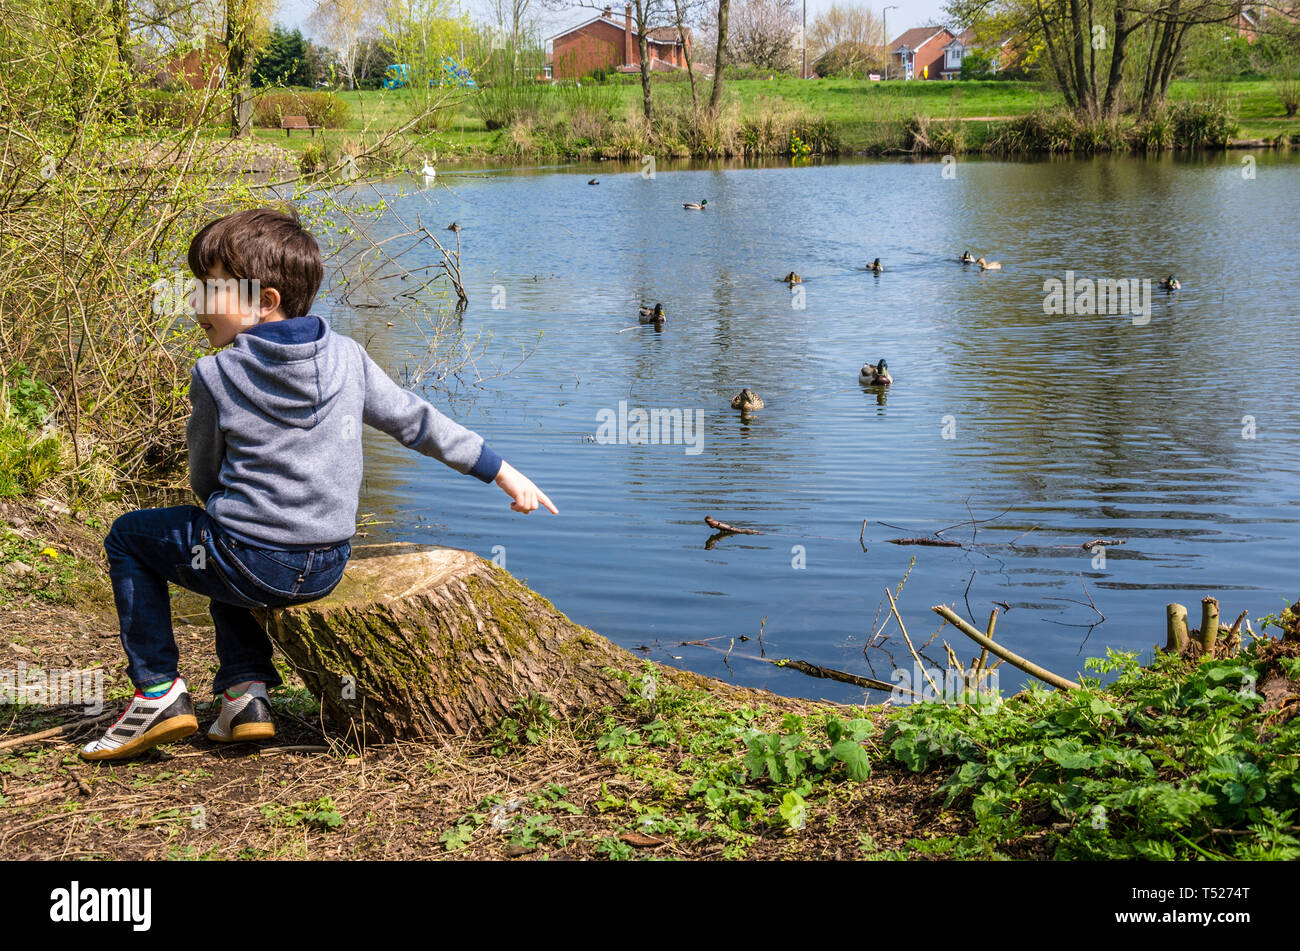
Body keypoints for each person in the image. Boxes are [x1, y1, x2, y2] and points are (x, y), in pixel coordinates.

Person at [81, 207, 556, 761]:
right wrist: (500, 469)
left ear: (265, 302)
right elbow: (417, 422)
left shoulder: (214, 373)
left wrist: (221, 502)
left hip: (250, 555)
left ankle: (157, 690)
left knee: (134, 537)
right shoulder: (350, 358)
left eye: (210, 290)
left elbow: (205, 474)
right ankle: (243, 697)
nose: (195, 304)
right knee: (225, 540)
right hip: (326, 563)